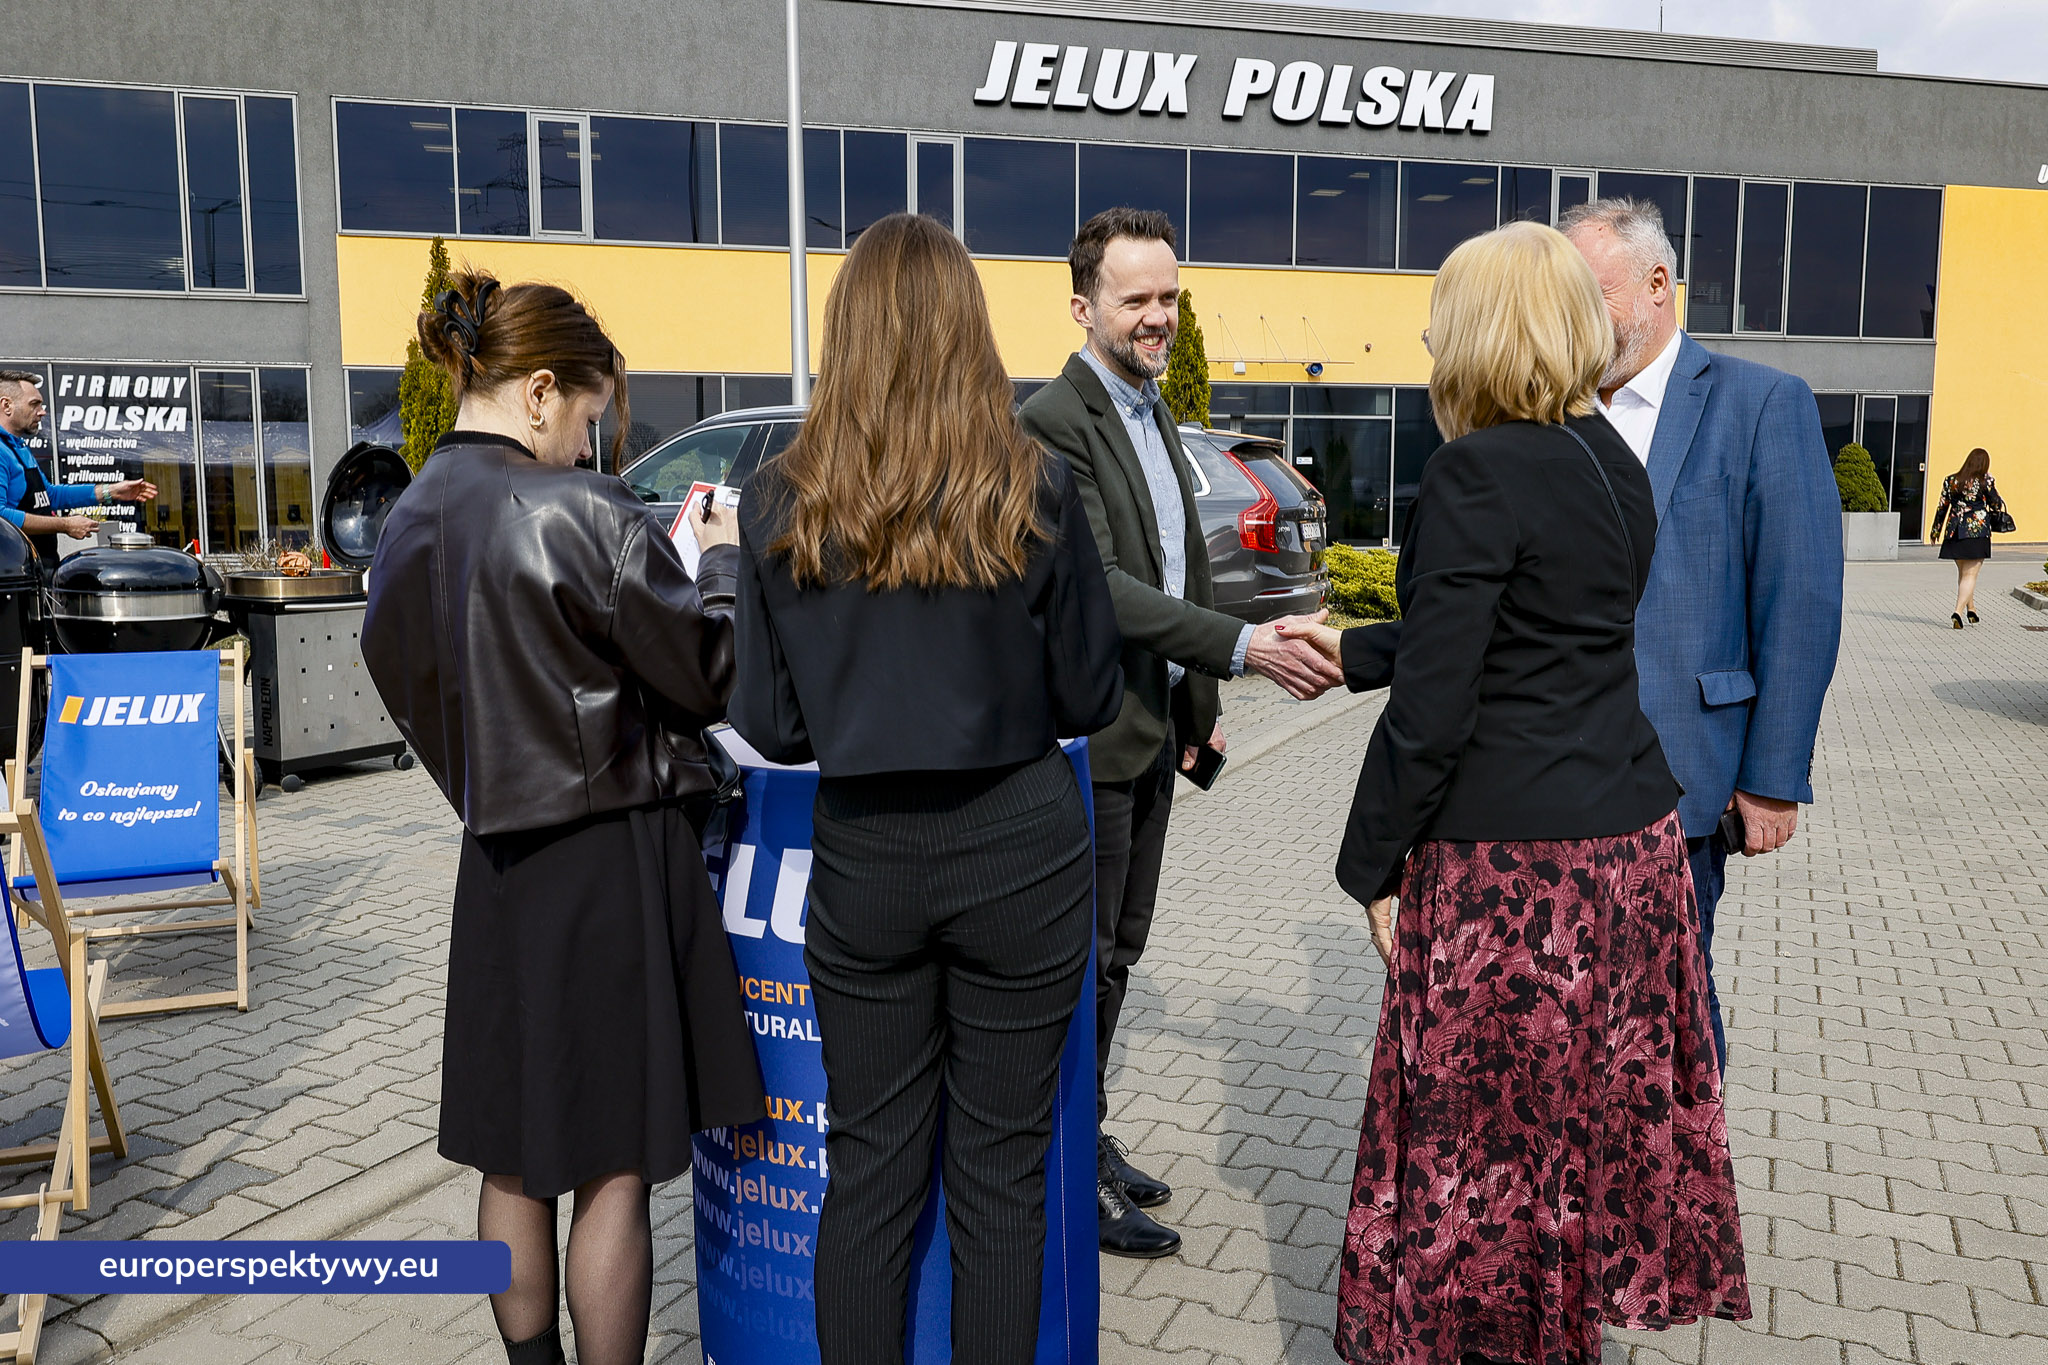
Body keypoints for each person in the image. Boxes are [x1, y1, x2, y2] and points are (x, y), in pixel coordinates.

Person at [1284, 221, 1749, 1365]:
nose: (1430, 336)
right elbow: (1539, 622)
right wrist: (1358, 646)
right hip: (1626, 851)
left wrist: (1366, 864)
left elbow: (1438, 709)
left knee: (1485, 1157)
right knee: (1567, 1144)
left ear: (1483, 330)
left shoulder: (1472, 468)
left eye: (1442, 316)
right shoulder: (1603, 458)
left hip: (1513, 877)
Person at [730, 213, 1123, 1363]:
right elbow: (1092, 694)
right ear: (968, 330)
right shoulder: (1035, 487)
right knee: (1000, 1178)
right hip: (1022, 847)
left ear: (844, 333)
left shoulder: (775, 502)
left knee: (870, 1171)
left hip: (865, 860)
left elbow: (768, 724)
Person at [360, 272, 764, 1365]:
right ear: (538, 390)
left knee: (512, 1154)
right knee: (613, 1164)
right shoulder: (583, 512)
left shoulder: (401, 524)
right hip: (610, 862)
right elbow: (708, 672)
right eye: (588, 419)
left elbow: (403, 675)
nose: (590, 447)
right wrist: (720, 559)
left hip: (495, 866)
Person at [1017, 207, 1343, 1258]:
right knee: (1081, 968)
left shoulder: (1154, 410)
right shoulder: (1052, 423)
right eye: (1136, 300)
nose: (1158, 318)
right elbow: (1102, 590)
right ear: (1083, 308)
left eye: (1168, 298)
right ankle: (1061, 1167)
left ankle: (1087, 1135)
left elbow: (1181, 569)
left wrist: (1199, 718)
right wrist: (1246, 653)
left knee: (1120, 954)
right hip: (1091, 743)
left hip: (1153, 736)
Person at [1561, 198, 1843, 1071]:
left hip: (1687, 777)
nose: (1570, 316)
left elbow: (1799, 599)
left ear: (1656, 284)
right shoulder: (1551, 409)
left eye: (1588, 292)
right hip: (1553, 777)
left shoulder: (1761, 405)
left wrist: (1771, 778)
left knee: (1672, 1011)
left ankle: (1686, 1193)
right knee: (1573, 1018)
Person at [0, 369, 157, 564]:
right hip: (15, 575)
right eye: (34, 404)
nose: (42, 411)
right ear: (7, 405)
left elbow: (49, 496)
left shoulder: (18, 447)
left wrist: (111, 491)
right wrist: (65, 524)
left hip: (40, 567)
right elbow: (1, 516)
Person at [1929, 447, 2006, 627]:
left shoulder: (1951, 480)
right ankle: (1957, 612)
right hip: (1976, 531)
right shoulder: (1985, 481)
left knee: (1964, 574)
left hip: (1954, 532)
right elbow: (1996, 504)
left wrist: (1935, 532)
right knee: (1970, 575)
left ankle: (1972, 609)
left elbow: (1942, 507)